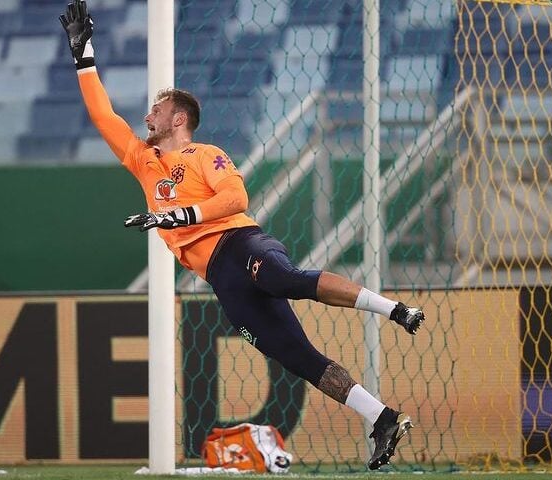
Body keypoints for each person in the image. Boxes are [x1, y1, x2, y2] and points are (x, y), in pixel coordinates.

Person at [60, 0, 424, 470]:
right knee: (297, 357)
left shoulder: (205, 154)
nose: (148, 114)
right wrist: (82, 53)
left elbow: (236, 200)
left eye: (158, 108)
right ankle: (383, 418)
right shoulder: (143, 160)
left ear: (178, 120)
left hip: (241, 245)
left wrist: (177, 217)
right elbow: (102, 115)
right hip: (220, 279)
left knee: (283, 277)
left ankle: (395, 309)